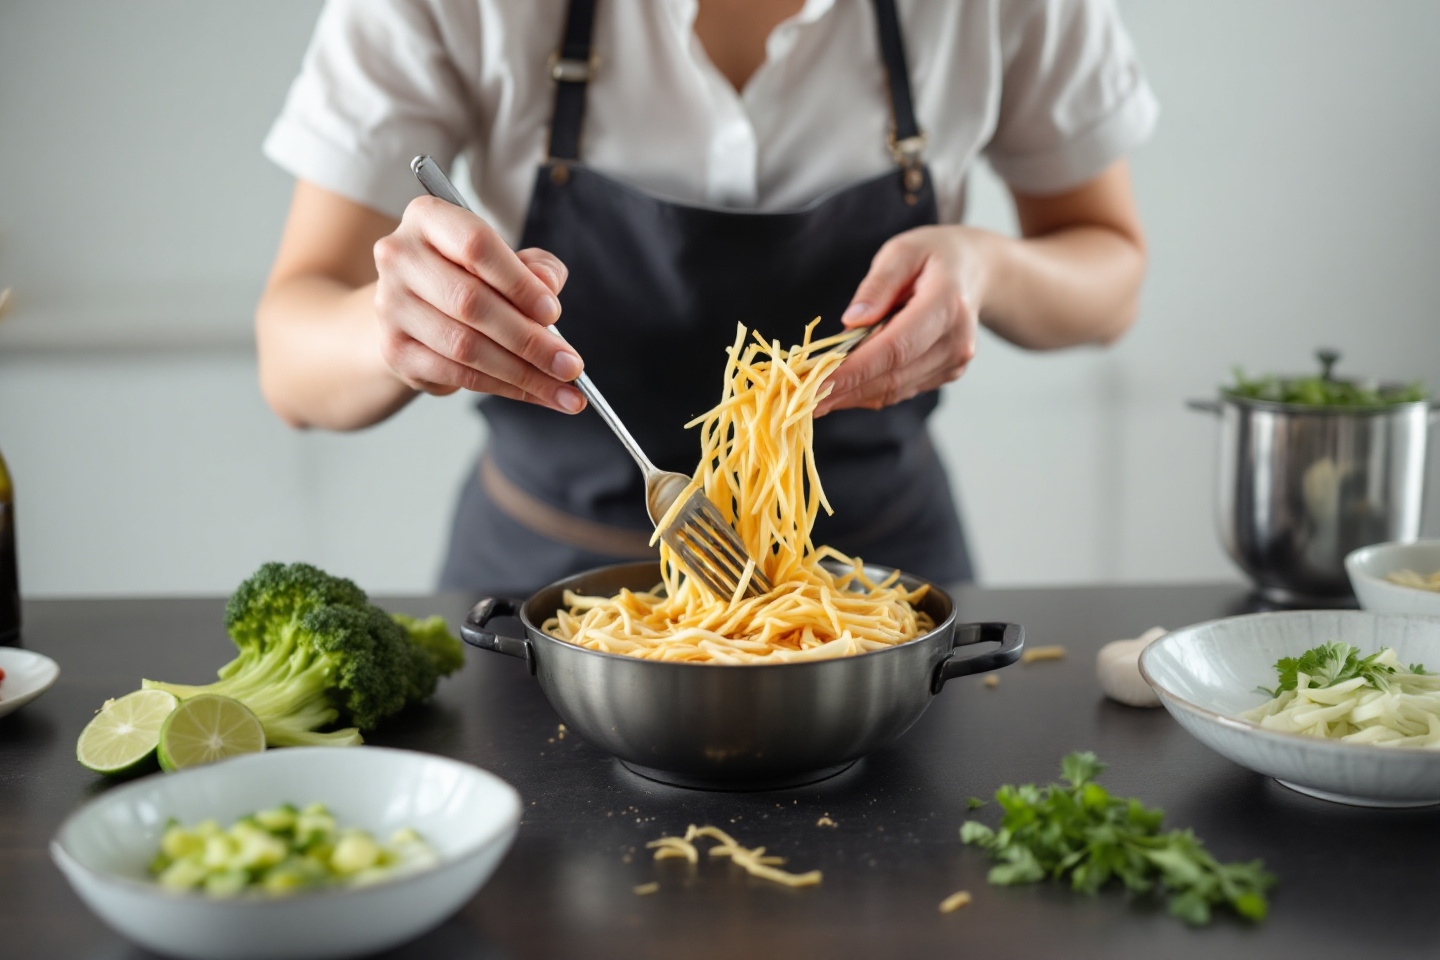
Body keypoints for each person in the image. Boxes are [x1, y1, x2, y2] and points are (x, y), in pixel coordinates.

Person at [257, 0, 1156, 595]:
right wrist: (399, 326)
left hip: (875, 588)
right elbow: (291, 355)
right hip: (541, 585)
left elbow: (1108, 274)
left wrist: (990, 268)